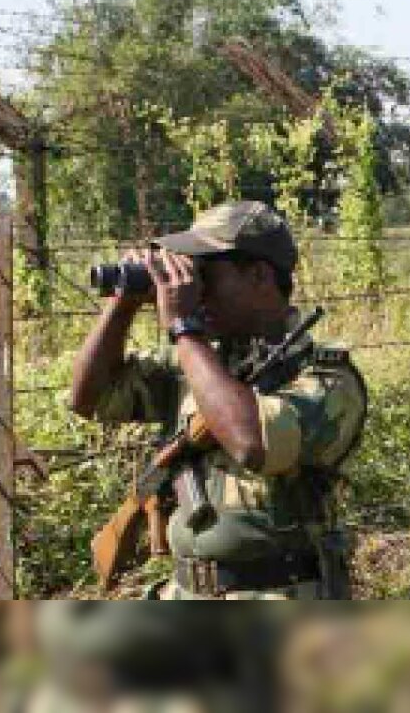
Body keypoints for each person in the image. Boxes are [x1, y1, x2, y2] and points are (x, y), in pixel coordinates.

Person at [69, 200, 367, 600]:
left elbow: (252, 441)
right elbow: (90, 397)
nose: (193, 287)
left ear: (260, 275)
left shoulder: (326, 377)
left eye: (205, 273)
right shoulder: (202, 363)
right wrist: (120, 307)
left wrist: (183, 328)